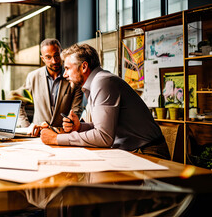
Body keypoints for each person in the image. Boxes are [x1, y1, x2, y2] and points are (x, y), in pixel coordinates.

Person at [40, 43, 170, 159]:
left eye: (67, 68)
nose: (64, 74)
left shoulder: (102, 82)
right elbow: (105, 127)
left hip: (147, 152)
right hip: (133, 150)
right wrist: (80, 127)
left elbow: (103, 136)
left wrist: (56, 139)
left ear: (84, 67)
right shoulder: (96, 81)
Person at [16, 38, 83, 136]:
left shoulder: (73, 76)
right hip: (37, 135)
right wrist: (26, 127)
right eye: (48, 57)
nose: (54, 61)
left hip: (63, 136)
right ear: (42, 59)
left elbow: (76, 110)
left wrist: (70, 124)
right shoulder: (33, 77)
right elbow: (18, 103)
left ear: (61, 53)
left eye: (56, 55)